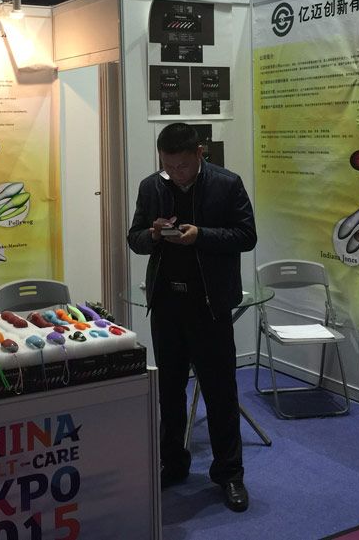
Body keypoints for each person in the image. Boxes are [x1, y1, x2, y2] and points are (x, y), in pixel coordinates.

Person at [127, 122, 257, 512]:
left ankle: (229, 473)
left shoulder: (227, 184)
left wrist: (202, 235)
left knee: (220, 393)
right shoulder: (152, 186)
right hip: (167, 304)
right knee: (169, 392)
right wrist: (152, 235)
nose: (176, 173)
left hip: (209, 306)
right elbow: (134, 238)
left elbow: (246, 236)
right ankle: (173, 463)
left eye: (183, 166)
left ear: (199, 153)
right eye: (168, 166)